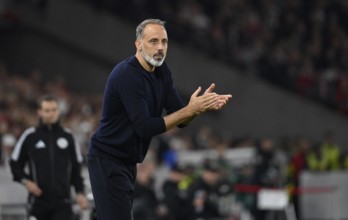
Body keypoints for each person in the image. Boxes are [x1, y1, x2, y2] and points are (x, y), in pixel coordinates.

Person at [87, 18, 232, 220]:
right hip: (107, 159)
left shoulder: (162, 72)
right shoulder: (128, 75)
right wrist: (190, 110)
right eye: (153, 41)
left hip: (127, 162)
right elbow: (145, 127)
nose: (160, 47)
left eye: (164, 42)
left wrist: (197, 110)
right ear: (138, 44)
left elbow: (181, 120)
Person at [9, 94, 89, 220]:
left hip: (63, 203)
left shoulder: (68, 137)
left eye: (54, 110)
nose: (51, 114)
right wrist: (26, 181)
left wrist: (79, 192)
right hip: (38, 202)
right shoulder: (30, 136)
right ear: (39, 112)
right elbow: (14, 163)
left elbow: (76, 168)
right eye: (47, 110)